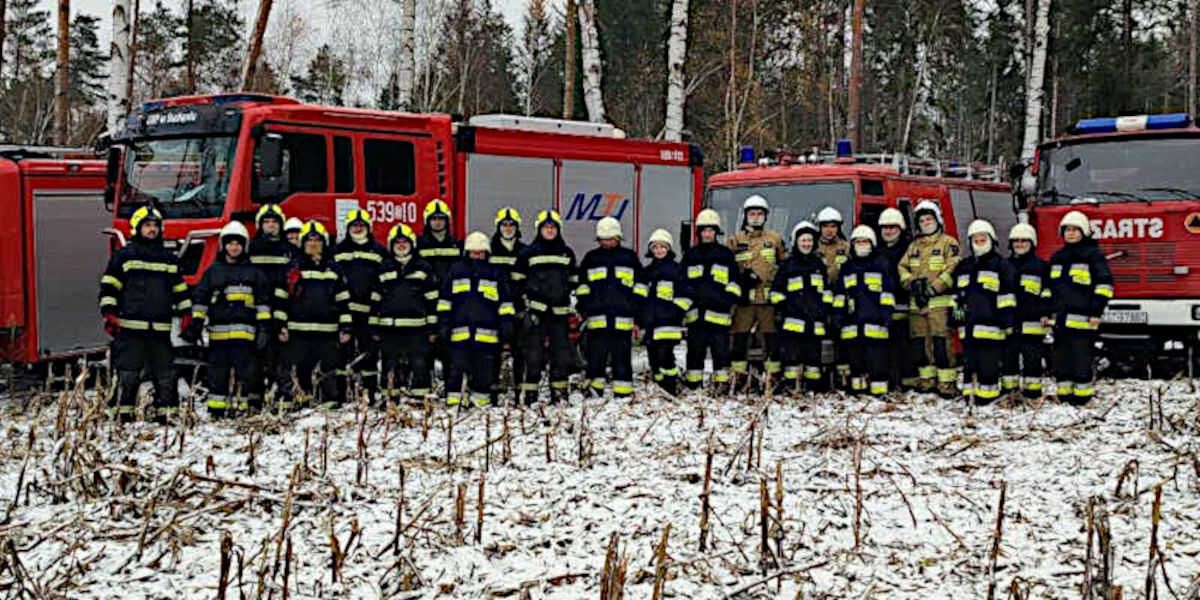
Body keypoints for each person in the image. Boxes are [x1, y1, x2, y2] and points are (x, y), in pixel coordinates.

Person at [98, 206, 190, 423]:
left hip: (160, 329)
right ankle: (122, 416)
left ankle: (166, 417)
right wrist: (109, 313)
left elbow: (180, 290)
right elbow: (109, 287)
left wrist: (187, 314)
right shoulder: (124, 256)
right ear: (137, 229)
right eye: (147, 226)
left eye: (155, 226)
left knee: (166, 376)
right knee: (127, 374)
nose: (152, 230)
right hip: (130, 328)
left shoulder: (168, 259)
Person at [183, 222, 272, 417]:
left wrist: (264, 328)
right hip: (218, 336)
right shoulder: (213, 272)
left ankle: (241, 412)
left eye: (238, 244)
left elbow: (263, 304)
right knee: (217, 375)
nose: (234, 247)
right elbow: (200, 300)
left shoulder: (254, 273)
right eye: (230, 243)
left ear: (244, 246)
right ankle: (216, 411)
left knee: (245, 374)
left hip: (245, 336)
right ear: (224, 246)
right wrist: (195, 325)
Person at [437, 231, 515, 407]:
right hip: (459, 335)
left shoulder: (495, 274)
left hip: (487, 336)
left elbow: (505, 303)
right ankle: (454, 407)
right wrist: (443, 324)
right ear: (467, 253)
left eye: (481, 253)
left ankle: (481, 410)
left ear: (487, 253)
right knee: (455, 371)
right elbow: (445, 301)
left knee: (484, 374)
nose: (477, 256)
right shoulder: (456, 272)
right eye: (474, 252)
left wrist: (506, 325)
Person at [280, 221, 352, 409]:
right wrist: (280, 325)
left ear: (324, 243)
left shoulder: (333, 269)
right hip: (298, 332)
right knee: (301, 370)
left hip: (327, 332)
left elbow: (343, 301)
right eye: (309, 240)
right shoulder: (293, 268)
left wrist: (346, 327)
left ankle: (329, 405)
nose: (313, 244)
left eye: (317, 240)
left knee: (328, 370)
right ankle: (303, 403)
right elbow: (281, 299)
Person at [1047, 210, 1112, 405]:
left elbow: (1104, 285)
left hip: (1084, 320)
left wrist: (1096, 311)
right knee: (1060, 359)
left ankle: (1082, 398)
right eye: (1067, 230)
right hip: (1060, 320)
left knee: (1081, 359)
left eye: (1075, 230)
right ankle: (1064, 395)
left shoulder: (1093, 256)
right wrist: (1046, 312)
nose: (1071, 233)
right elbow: (1050, 289)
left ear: (1084, 232)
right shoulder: (1057, 257)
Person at [898, 200, 961, 397]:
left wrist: (934, 288)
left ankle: (947, 385)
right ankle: (927, 383)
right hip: (917, 305)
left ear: (938, 220)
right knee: (920, 346)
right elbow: (902, 268)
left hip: (939, 304)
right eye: (922, 220)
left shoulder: (948, 243)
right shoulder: (914, 246)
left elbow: (953, 267)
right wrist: (911, 283)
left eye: (929, 219)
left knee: (941, 345)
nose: (926, 223)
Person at [951, 220, 1017, 405]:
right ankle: (969, 397)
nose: (979, 242)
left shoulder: (1001, 266)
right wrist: (957, 320)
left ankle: (987, 399)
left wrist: (1007, 322)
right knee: (969, 365)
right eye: (976, 239)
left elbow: (1007, 297)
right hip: (968, 329)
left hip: (992, 328)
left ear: (991, 240)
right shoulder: (963, 266)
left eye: (983, 239)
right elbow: (957, 298)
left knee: (988, 366)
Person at [575, 217, 642, 399]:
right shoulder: (591, 258)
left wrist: (635, 311)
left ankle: (623, 395)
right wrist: (586, 309)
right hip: (597, 321)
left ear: (618, 238)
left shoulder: (630, 258)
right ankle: (594, 393)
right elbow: (582, 287)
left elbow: (640, 287)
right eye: (603, 239)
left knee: (622, 359)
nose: (607, 242)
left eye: (610, 238)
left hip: (623, 320)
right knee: (596, 359)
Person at [372, 223, 439, 403]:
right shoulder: (384, 268)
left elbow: (432, 300)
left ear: (412, 244)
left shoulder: (423, 268)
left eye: (405, 242)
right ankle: (390, 401)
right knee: (389, 365)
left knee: (419, 364)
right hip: (389, 328)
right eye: (397, 243)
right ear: (391, 245)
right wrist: (374, 327)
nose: (401, 246)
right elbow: (375, 299)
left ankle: (419, 401)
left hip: (417, 329)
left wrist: (433, 328)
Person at [516, 210, 576, 404]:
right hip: (536, 314)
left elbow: (574, 282)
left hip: (559, 314)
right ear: (539, 230)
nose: (549, 231)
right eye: (546, 227)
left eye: (553, 227)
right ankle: (530, 396)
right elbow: (517, 283)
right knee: (533, 356)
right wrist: (524, 307)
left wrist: (574, 304)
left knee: (561, 355)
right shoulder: (528, 253)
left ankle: (559, 394)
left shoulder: (566, 253)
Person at [680, 209, 741, 391]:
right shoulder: (691, 255)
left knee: (721, 353)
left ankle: (721, 385)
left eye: (711, 230)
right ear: (699, 232)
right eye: (704, 230)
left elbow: (734, 283)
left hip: (719, 315)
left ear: (716, 232)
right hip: (695, 316)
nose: (707, 234)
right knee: (695, 352)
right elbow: (682, 282)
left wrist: (725, 300)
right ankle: (694, 385)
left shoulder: (725, 255)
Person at [729, 195, 785, 390]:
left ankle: (772, 381)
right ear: (745, 216)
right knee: (739, 340)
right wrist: (740, 282)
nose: (755, 217)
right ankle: (739, 379)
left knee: (770, 341)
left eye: (759, 214)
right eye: (752, 214)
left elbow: (782, 267)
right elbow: (729, 269)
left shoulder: (775, 239)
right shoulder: (736, 239)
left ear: (765, 217)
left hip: (767, 301)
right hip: (744, 303)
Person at [833, 225, 896, 396]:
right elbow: (840, 294)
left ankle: (879, 392)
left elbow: (888, 291)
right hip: (852, 323)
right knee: (855, 360)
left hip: (876, 322)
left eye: (865, 242)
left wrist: (887, 313)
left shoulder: (881, 264)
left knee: (878, 360)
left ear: (872, 243)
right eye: (858, 242)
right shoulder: (847, 267)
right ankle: (857, 391)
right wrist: (838, 315)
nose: (862, 245)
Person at [334, 208, 387, 402]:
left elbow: (383, 281)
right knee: (341, 355)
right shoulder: (338, 251)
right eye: (354, 226)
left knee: (370, 355)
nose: (357, 229)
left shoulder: (379, 251)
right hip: (345, 312)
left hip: (369, 312)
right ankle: (340, 395)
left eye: (361, 226)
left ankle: (370, 394)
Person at [770, 221, 829, 394]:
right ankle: (791, 388)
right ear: (796, 242)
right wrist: (785, 308)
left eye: (810, 241)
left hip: (815, 322)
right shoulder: (788, 265)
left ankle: (813, 389)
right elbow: (776, 292)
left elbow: (826, 291)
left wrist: (823, 311)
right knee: (792, 358)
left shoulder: (819, 265)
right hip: (793, 322)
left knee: (813, 359)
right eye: (803, 240)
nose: (807, 244)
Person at [248, 204, 293, 402]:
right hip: (256, 311)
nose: (271, 226)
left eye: (275, 222)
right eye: (266, 222)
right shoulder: (251, 248)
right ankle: (255, 396)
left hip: (282, 310)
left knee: (281, 358)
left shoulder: (288, 250)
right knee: (256, 356)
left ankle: (284, 396)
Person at [637, 228, 688, 395]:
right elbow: (640, 297)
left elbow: (686, 294)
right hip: (651, 323)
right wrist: (640, 318)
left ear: (669, 249)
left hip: (669, 323)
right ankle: (660, 387)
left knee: (666, 355)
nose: (659, 250)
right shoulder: (646, 272)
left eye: (662, 247)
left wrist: (675, 311)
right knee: (653, 358)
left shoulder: (677, 270)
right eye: (655, 247)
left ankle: (670, 387)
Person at [1004, 223, 1052, 399]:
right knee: (1009, 358)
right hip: (1011, 321)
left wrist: (1046, 313)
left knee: (1033, 359)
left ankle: (1032, 393)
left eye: (1024, 241)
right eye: (1016, 241)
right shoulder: (1005, 266)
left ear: (1032, 243)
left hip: (1033, 322)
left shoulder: (1041, 267)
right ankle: (1011, 393)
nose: (1020, 244)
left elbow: (1048, 293)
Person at [877, 207, 917, 390]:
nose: (888, 231)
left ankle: (907, 383)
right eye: (885, 227)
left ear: (900, 229)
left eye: (893, 227)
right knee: (888, 348)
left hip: (905, 306)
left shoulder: (910, 249)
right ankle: (893, 382)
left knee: (905, 347)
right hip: (884, 308)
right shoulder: (877, 251)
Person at [490, 207, 528, 395]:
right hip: (494, 310)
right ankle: (495, 389)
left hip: (519, 307)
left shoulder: (525, 251)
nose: (508, 228)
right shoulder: (489, 250)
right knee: (494, 351)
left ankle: (520, 388)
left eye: (511, 225)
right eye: (504, 225)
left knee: (520, 349)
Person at [816, 206, 851, 387]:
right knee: (819, 338)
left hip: (840, 300)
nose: (830, 230)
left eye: (833, 226)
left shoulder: (846, 248)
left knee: (841, 338)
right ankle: (821, 376)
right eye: (826, 226)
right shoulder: (813, 247)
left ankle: (841, 377)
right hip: (818, 300)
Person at [417, 199, 461, 287]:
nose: (438, 222)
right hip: (427, 289)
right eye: (434, 218)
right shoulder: (419, 244)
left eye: (441, 218)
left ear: (447, 220)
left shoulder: (456, 244)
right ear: (427, 221)